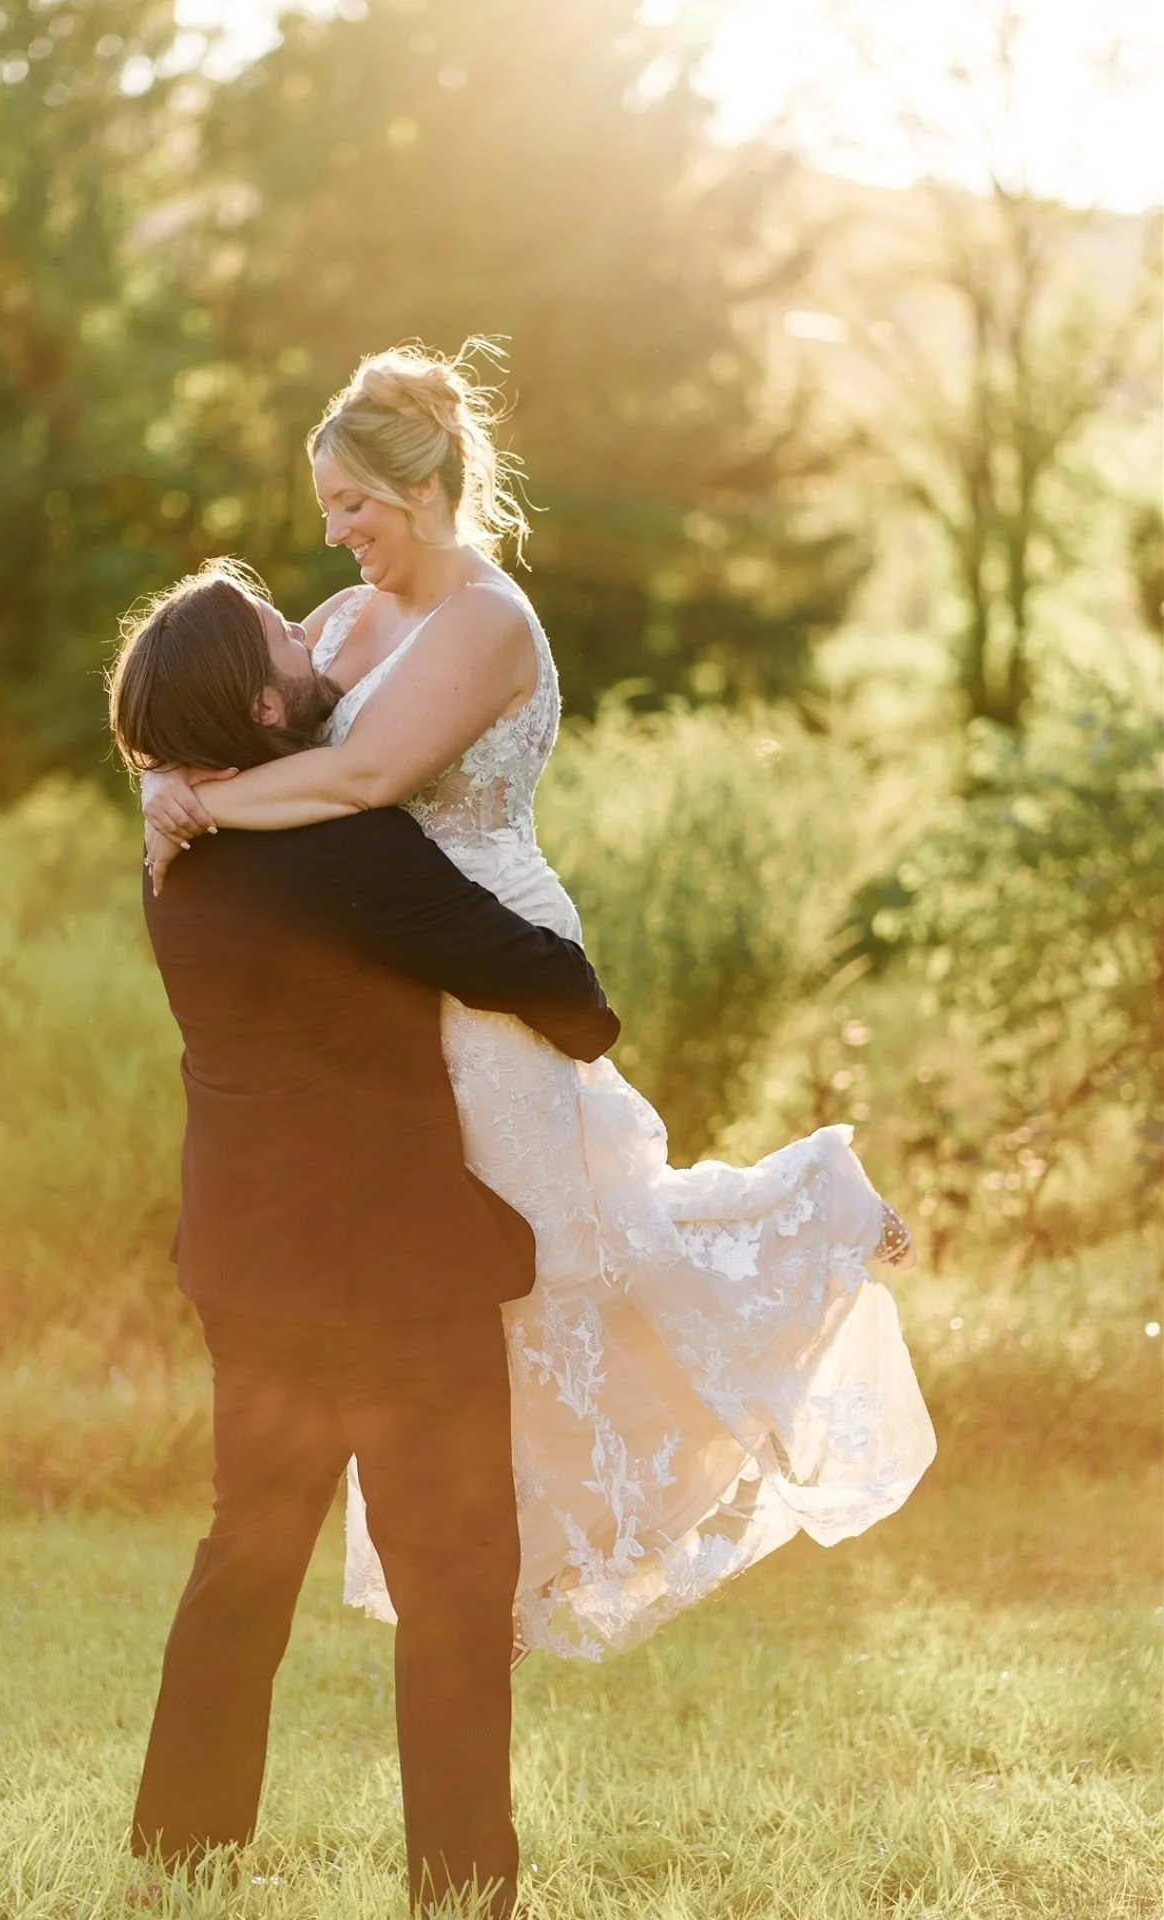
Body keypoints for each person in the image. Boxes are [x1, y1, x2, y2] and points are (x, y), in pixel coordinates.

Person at [142, 342, 936, 1666]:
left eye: (353, 504)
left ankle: (816, 1213)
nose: (333, 535)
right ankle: (490, 1567)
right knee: (454, 1281)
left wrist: (199, 809)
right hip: (387, 973)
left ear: (426, 487)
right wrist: (166, 778)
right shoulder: (338, 623)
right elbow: (244, 723)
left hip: (486, 959)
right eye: (326, 506)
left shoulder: (488, 622)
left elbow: (359, 781)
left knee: (568, 1246)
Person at [108, 556, 620, 1918]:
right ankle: (461, 1887)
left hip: (246, 1261)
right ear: (265, 708)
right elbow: (558, 993)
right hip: (399, 1275)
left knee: (248, 1548)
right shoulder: (347, 851)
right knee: (455, 1576)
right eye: (282, 634)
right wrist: (571, 988)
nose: (309, 631)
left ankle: (181, 1855)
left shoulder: (176, 856)